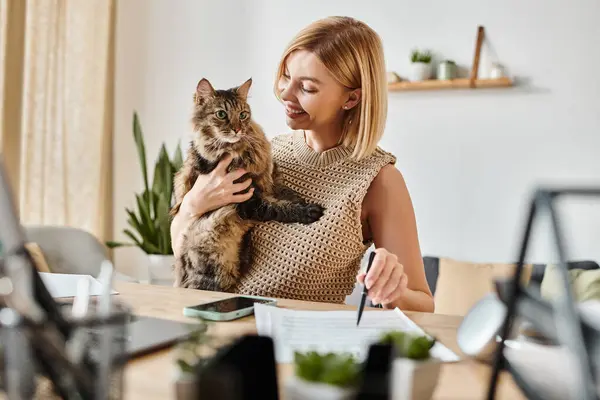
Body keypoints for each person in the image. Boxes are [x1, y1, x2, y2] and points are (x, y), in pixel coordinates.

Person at [170, 16, 434, 312]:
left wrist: (394, 292)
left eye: (306, 87)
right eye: (286, 77)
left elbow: (423, 304)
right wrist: (192, 206)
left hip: (294, 348)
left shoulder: (378, 180)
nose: (285, 94)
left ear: (351, 98)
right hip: (213, 328)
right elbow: (183, 250)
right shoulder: (262, 152)